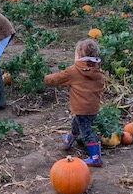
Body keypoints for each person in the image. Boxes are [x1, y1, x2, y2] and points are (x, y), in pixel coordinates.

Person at [43, 39, 105, 167]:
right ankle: (68, 141)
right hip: (93, 108)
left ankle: (95, 157)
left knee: (86, 132)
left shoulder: (74, 71)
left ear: (78, 56)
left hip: (82, 109)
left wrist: (46, 79)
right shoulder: (98, 72)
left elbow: (56, 79)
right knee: (77, 124)